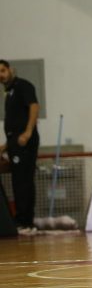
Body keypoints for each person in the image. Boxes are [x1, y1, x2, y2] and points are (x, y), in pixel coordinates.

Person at [0, 60, 40, 235]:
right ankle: (21, 219)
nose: (1, 75)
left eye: (3, 70)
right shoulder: (9, 92)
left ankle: (26, 221)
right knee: (18, 180)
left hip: (25, 142)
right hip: (15, 143)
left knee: (24, 181)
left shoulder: (23, 86)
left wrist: (28, 132)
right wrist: (6, 146)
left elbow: (34, 106)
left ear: (10, 70)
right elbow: (14, 123)